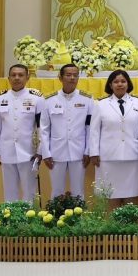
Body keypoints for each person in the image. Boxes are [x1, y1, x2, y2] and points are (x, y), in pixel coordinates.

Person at [88, 69, 138, 209]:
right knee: (111, 194)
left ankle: (131, 223)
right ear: (110, 85)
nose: (120, 84)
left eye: (123, 81)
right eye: (116, 82)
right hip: (108, 158)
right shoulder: (100, 104)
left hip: (133, 157)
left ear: (128, 84)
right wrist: (94, 152)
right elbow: (94, 131)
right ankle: (113, 223)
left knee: (132, 195)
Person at [39, 63, 94, 199]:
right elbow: (44, 129)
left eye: (75, 75)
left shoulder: (87, 99)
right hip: (56, 152)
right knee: (57, 191)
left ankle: (79, 213)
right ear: (60, 77)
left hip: (79, 152)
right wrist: (46, 153)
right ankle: (55, 213)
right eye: (68, 75)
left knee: (78, 191)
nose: (72, 78)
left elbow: (90, 127)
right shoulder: (49, 100)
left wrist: (87, 151)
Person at [0, 64, 44, 202]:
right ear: (8, 78)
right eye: (13, 75)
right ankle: (10, 215)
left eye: (20, 75)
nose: (17, 78)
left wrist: (40, 150)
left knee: (29, 192)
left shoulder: (36, 98)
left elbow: (41, 127)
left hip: (28, 152)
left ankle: (29, 215)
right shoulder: (0, 99)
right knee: (9, 191)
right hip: (7, 150)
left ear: (27, 77)